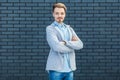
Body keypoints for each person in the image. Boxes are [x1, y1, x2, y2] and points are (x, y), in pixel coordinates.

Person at [46, 3, 83, 80]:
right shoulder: (50, 29)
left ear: (65, 14)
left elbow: (80, 44)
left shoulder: (69, 29)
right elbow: (56, 47)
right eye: (57, 13)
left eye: (62, 13)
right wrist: (72, 47)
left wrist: (65, 42)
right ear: (53, 14)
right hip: (56, 70)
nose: (60, 15)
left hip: (69, 70)